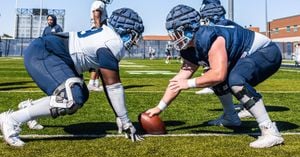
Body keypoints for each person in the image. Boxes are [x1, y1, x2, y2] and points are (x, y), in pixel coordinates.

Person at [0, 8, 144, 147]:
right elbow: (113, 86)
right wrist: (125, 120)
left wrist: (120, 116)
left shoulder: (106, 33)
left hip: (52, 53)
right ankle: (12, 119)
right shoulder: (113, 42)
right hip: (44, 53)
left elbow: (108, 84)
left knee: (80, 94)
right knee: (72, 98)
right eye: (135, 36)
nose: (135, 41)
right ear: (127, 31)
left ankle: (31, 107)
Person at [146, 5, 284, 148]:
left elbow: (218, 74)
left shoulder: (208, 38)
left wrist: (189, 83)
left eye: (178, 33)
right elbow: (179, 80)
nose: (175, 37)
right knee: (213, 79)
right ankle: (231, 117)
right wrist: (159, 107)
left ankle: (270, 131)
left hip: (266, 51)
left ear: (189, 28)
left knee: (235, 80)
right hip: (245, 54)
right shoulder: (189, 49)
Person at [197, 0, 253, 119]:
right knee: (222, 79)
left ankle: (248, 107)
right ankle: (232, 113)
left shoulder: (222, 27)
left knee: (232, 79)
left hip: (246, 57)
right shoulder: (222, 25)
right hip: (240, 56)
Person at [87, 0, 111, 92]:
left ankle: (96, 83)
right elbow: (96, 15)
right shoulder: (99, 3)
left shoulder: (99, 3)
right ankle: (91, 83)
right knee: (98, 59)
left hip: (97, 30)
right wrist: (99, 31)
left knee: (99, 59)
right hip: (98, 30)